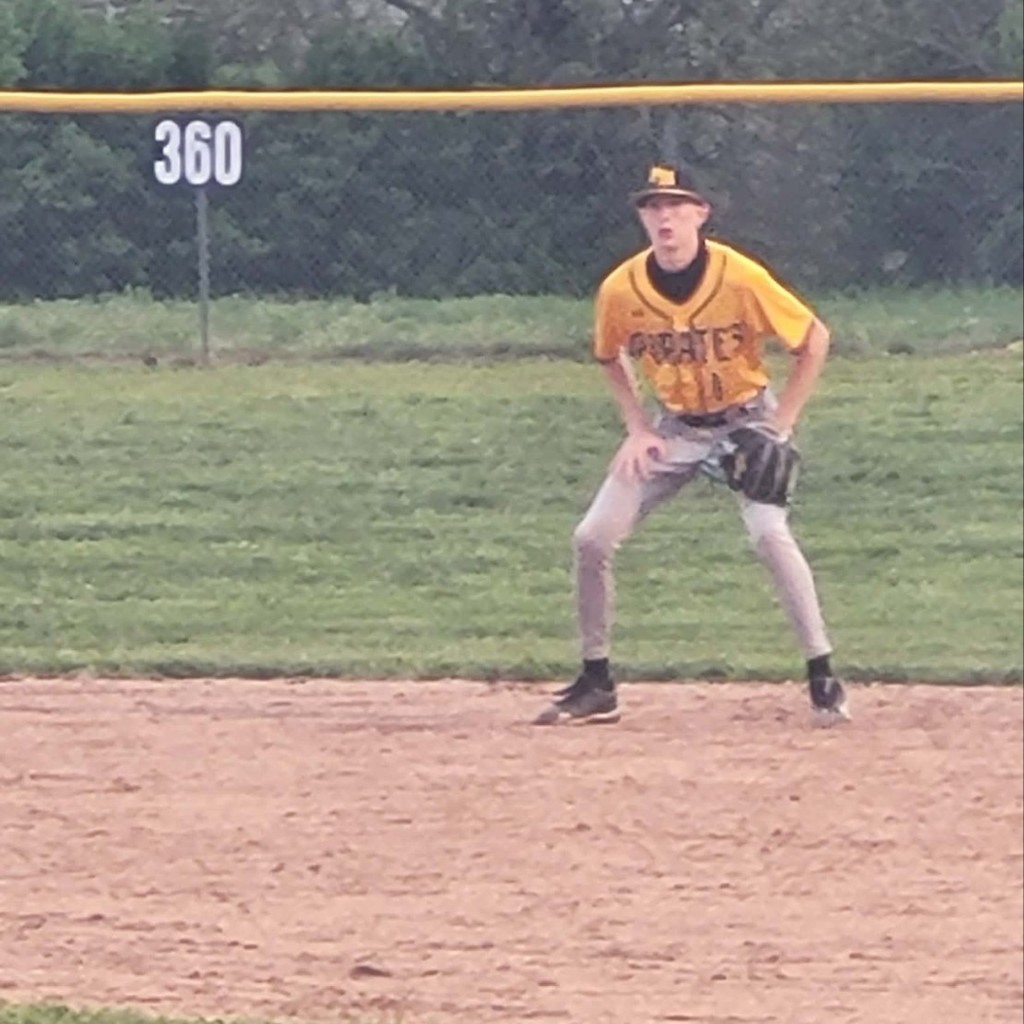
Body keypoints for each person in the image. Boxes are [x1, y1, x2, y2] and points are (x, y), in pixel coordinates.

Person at [534, 163, 850, 726]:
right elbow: (610, 354)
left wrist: (782, 427)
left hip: (746, 421)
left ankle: (822, 673)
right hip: (674, 428)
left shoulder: (739, 276)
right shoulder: (621, 288)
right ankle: (596, 682)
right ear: (642, 218)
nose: (665, 218)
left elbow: (814, 338)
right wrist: (636, 427)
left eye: (677, 206)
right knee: (592, 538)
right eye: (654, 207)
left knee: (770, 535)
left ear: (701, 213)